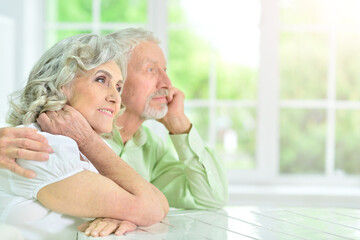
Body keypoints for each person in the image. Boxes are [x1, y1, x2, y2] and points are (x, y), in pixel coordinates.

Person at [0, 28, 228, 210]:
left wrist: (179, 124)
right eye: (151, 70)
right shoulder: (58, 138)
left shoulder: (150, 147)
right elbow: (146, 208)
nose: (167, 84)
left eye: (165, 70)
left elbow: (212, 199)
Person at [0, 33, 168, 240]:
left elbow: (160, 203)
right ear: (61, 85)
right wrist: (89, 141)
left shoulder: (74, 150)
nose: (115, 98)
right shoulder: (39, 146)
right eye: (101, 80)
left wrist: (121, 213)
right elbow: (151, 209)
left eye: (118, 87)